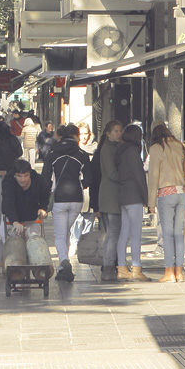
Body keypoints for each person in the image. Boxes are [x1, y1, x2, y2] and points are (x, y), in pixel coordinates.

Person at [147, 122, 185, 283]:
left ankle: (169, 272)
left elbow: (153, 177)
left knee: (167, 234)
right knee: (179, 233)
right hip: (182, 192)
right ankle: (179, 271)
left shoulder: (156, 148)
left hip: (166, 193)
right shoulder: (179, 145)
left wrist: (151, 201)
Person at [43, 124, 89, 283]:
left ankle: (64, 261)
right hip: (77, 198)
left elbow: (45, 179)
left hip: (59, 199)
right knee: (67, 232)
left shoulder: (52, 154)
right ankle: (63, 267)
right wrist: (80, 184)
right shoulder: (82, 154)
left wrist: (43, 200)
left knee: (60, 235)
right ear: (76, 136)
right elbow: (89, 179)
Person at [88, 120, 125, 281]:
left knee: (112, 233)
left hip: (110, 196)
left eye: (120, 130)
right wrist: (126, 177)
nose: (119, 133)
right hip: (111, 197)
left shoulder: (110, 148)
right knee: (113, 233)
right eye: (116, 130)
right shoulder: (108, 149)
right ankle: (109, 266)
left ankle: (111, 264)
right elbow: (111, 173)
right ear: (108, 133)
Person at [115, 122, 151, 281]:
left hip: (123, 195)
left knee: (124, 233)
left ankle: (122, 267)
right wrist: (146, 198)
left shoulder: (121, 152)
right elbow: (139, 176)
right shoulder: (132, 152)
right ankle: (136, 268)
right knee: (136, 234)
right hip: (134, 196)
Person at [1, 159, 50, 242]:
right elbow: (8, 202)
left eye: (26, 175)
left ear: (30, 174)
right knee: (10, 243)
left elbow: (45, 195)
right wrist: (15, 222)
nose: (22, 179)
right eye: (19, 176)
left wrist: (43, 207)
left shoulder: (39, 181)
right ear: (14, 175)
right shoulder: (8, 182)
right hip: (12, 218)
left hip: (32, 217)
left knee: (35, 243)